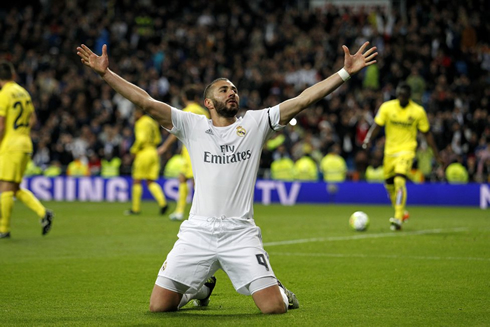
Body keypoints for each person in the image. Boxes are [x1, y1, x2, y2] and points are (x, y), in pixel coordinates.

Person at [77, 41, 377, 313]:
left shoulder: (257, 122)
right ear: (208, 103)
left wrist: (344, 73)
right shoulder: (191, 125)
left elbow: (302, 100)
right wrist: (106, 74)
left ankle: (280, 292)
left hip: (240, 233)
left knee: (274, 308)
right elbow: (145, 102)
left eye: (233, 89)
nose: (231, 92)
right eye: (224, 90)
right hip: (197, 231)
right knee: (159, 307)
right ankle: (199, 289)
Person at [362, 82, 442, 231]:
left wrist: (437, 155)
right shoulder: (387, 107)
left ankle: (398, 218)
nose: (401, 98)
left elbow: (427, 134)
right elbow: (377, 125)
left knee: (399, 179)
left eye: (404, 96)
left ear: (409, 97)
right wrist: (367, 139)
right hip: (389, 152)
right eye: (399, 95)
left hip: (407, 150)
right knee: (390, 185)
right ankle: (401, 212)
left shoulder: (418, 111)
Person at [0, 61, 53, 239]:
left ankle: (4, 229)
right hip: (25, 143)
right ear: (13, 75)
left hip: (10, 144)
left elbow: (1, 125)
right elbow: (33, 120)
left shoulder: (4, 94)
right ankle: (43, 213)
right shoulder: (24, 92)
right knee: (14, 187)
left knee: (5, 187)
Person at [157, 85, 210, 221]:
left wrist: (165, 147)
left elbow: (176, 132)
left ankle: (204, 213)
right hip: (203, 149)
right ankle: (181, 211)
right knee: (184, 177)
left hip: (191, 150)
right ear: (197, 98)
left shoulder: (186, 112)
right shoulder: (204, 112)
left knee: (194, 181)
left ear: (184, 98)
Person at [125, 107, 168, 215]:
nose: (134, 115)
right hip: (154, 152)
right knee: (150, 181)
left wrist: (134, 150)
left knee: (137, 180)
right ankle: (163, 203)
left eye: (135, 113)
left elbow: (141, 139)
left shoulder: (141, 123)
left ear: (139, 113)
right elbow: (158, 139)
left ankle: (135, 209)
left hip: (144, 152)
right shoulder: (153, 122)